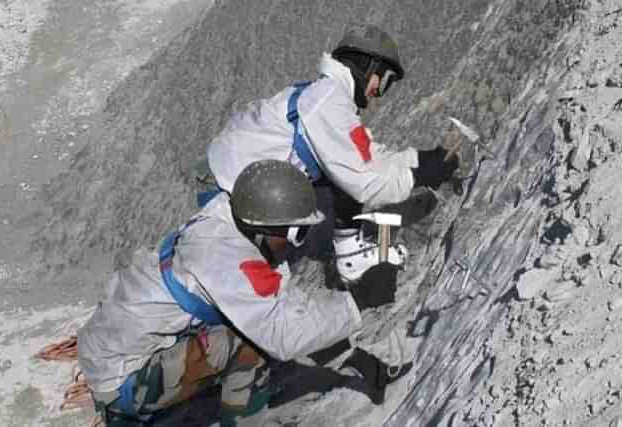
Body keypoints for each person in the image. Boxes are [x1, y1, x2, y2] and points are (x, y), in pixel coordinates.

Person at [78, 160, 406, 427]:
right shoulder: (223, 259)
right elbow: (282, 333)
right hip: (120, 382)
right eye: (298, 232)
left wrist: (353, 356)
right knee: (251, 346)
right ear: (269, 227)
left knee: (254, 334)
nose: (300, 242)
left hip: (122, 352)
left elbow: (288, 306)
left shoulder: (235, 229)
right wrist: (360, 300)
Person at [205, 24, 459, 282]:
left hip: (235, 177)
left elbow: (365, 156)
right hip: (232, 195)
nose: (379, 93)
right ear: (367, 66)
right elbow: (365, 181)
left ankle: (349, 250)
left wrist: (417, 159)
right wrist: (417, 177)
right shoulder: (328, 103)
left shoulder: (328, 94)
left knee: (338, 173)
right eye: (384, 81)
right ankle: (351, 261)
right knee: (262, 281)